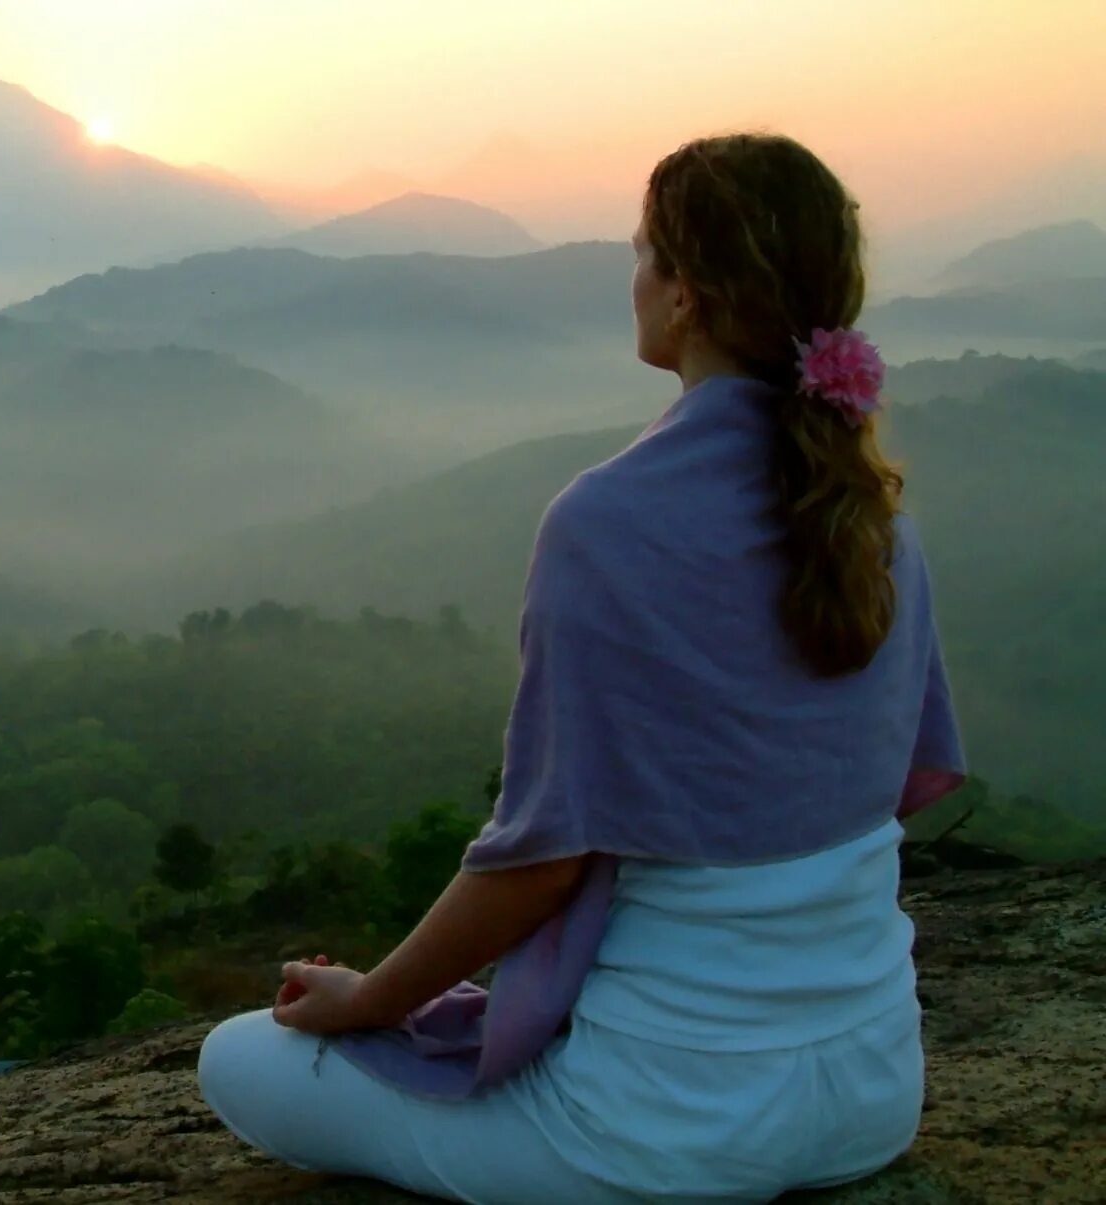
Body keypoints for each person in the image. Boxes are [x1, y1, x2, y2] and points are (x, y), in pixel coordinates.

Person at [196, 132, 968, 1203]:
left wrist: (372, 997)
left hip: (662, 1127)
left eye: (645, 253)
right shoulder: (878, 522)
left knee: (236, 1056)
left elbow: (538, 864)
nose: (636, 278)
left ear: (688, 295)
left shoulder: (607, 520)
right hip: (872, 1096)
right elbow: (890, 790)